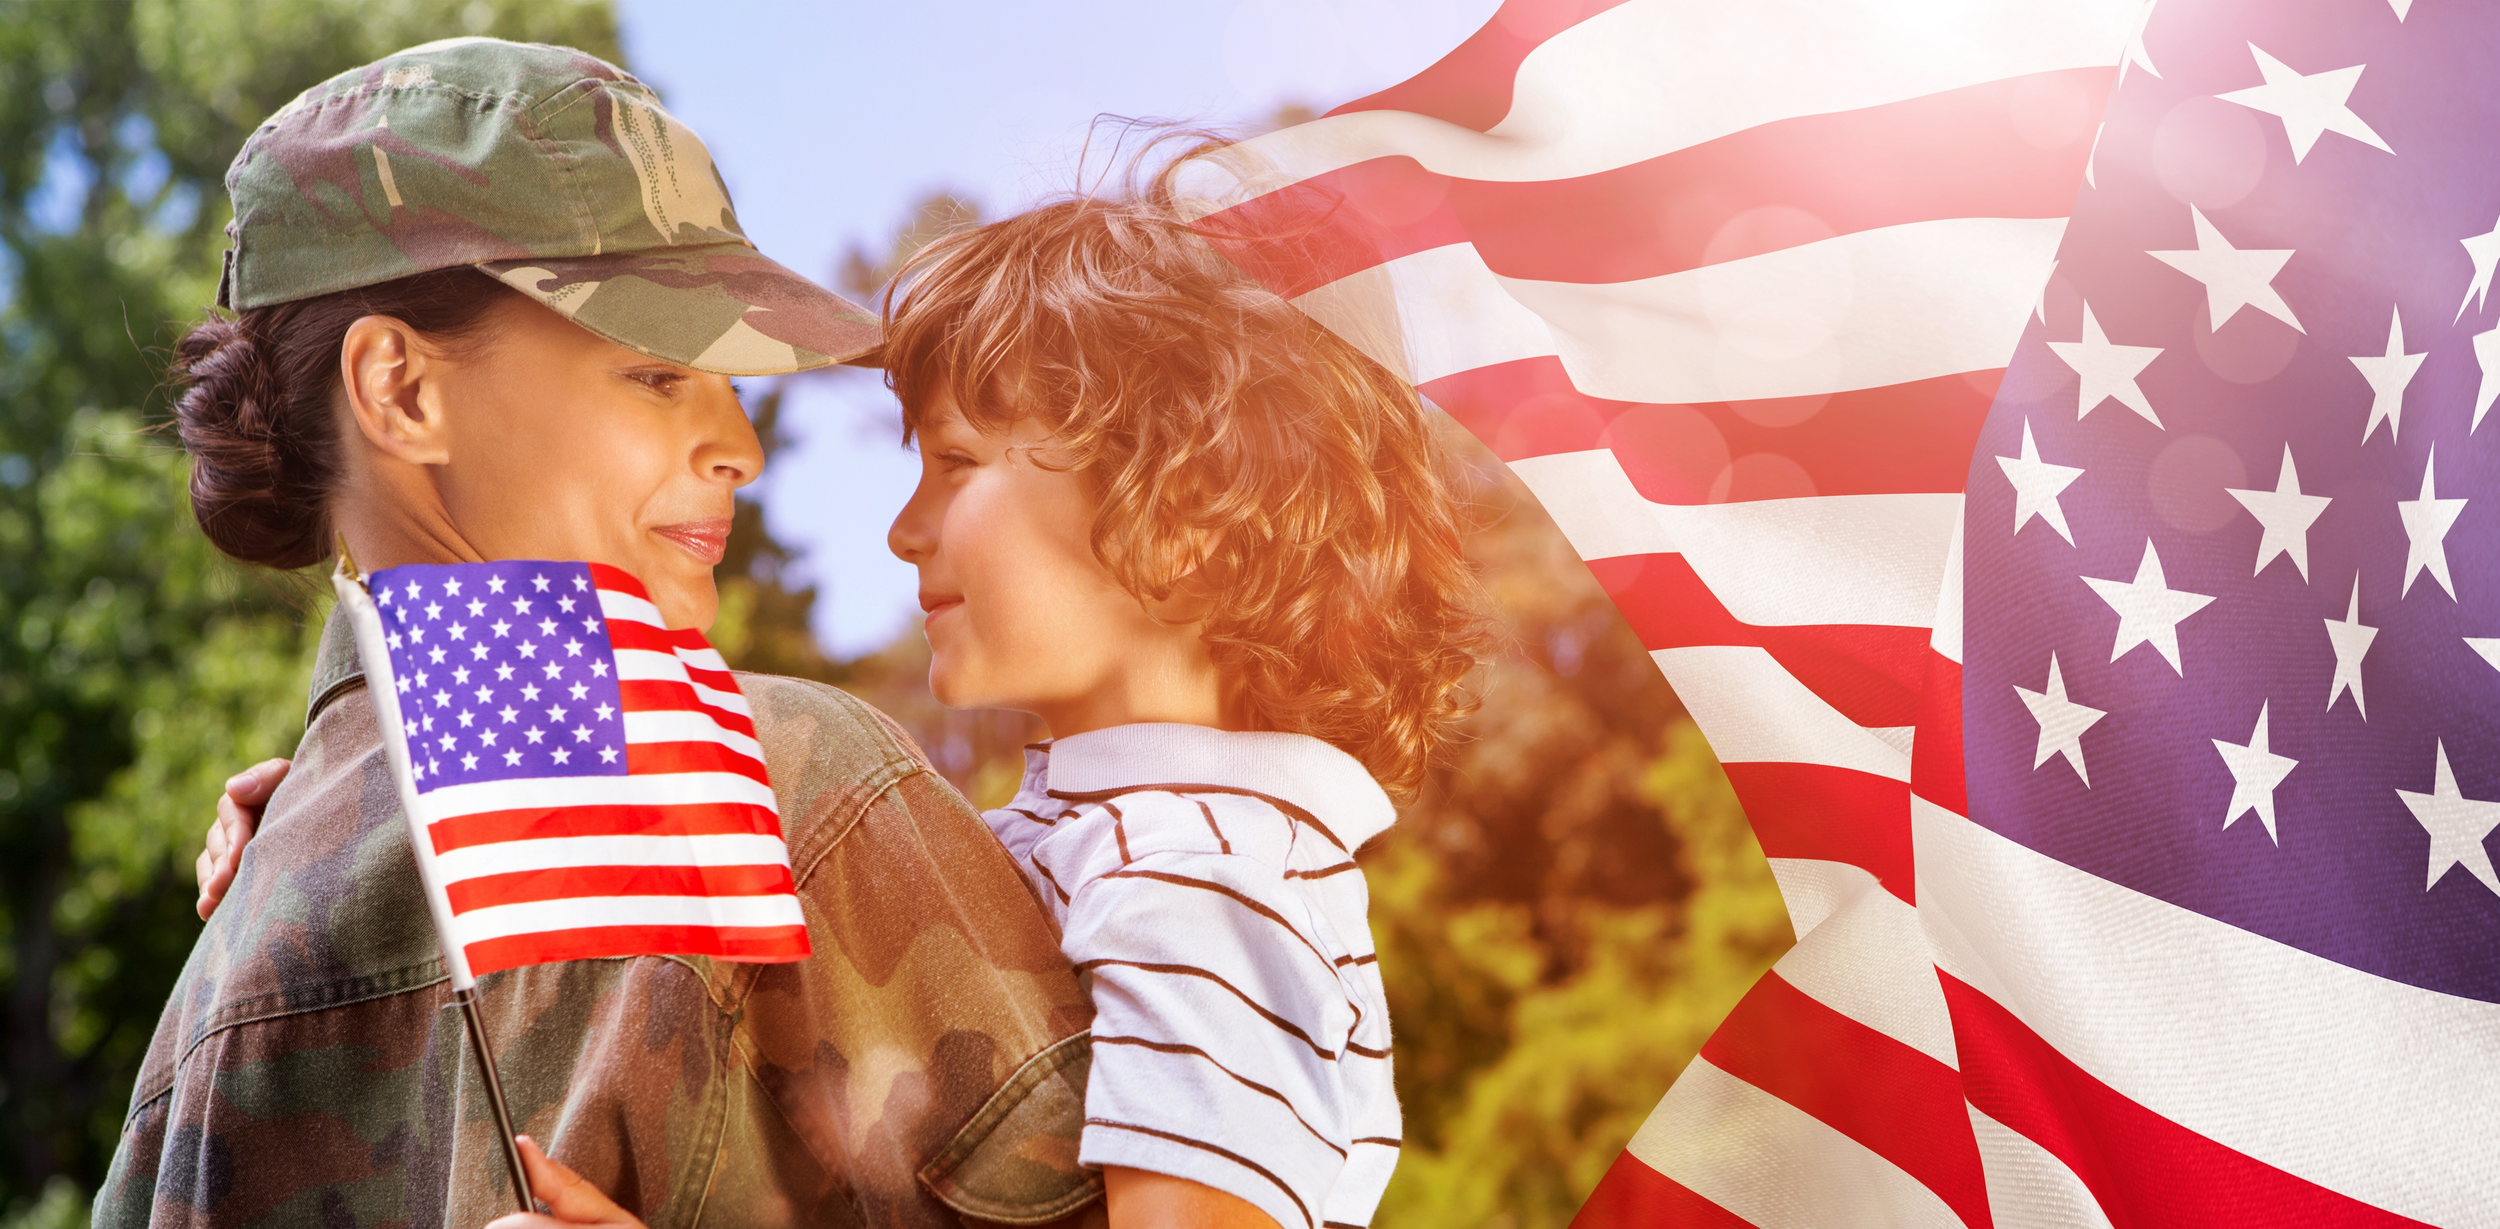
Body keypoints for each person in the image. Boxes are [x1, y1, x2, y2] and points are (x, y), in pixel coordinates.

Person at [100, 38, 1099, 1229]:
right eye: (660, 375)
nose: (743, 446)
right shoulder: (794, 792)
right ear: (403, 393)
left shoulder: (215, 986)